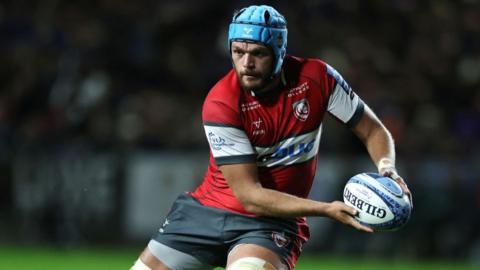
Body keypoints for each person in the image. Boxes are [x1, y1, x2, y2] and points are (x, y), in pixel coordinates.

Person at [130, 4, 412, 270]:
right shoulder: (221, 102)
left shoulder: (317, 79)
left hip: (269, 225)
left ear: (279, 51)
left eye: (258, 53)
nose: (246, 63)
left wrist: (387, 168)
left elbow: (373, 130)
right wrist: (326, 209)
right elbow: (249, 195)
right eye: (238, 52)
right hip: (205, 213)